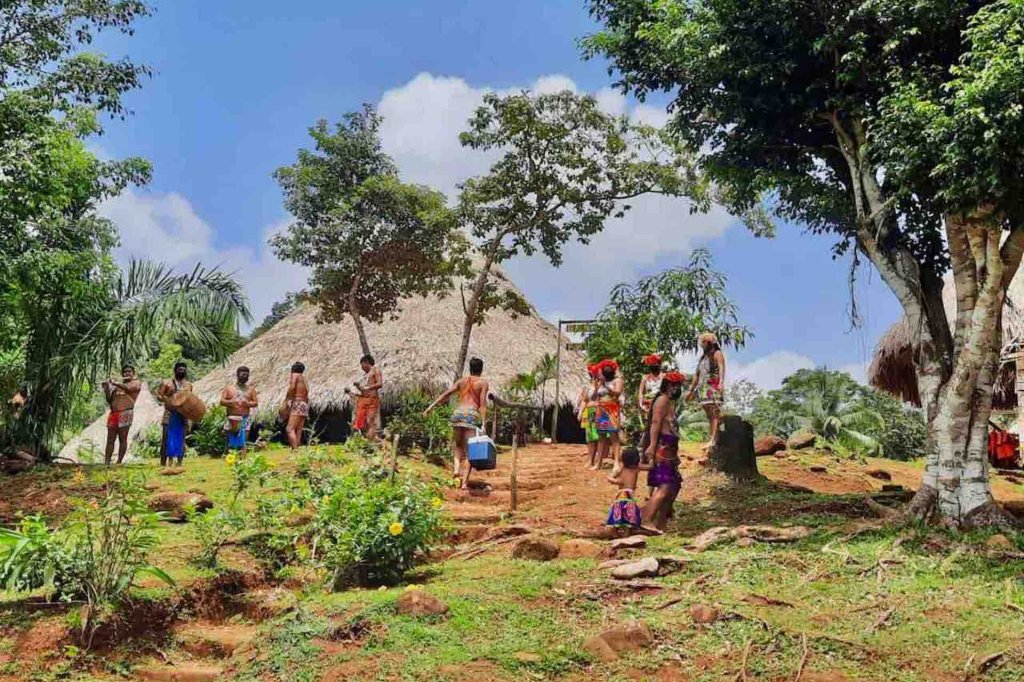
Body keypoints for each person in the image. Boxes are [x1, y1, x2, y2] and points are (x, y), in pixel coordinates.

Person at [423, 357, 489, 490]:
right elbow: (482, 405)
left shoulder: (461, 381)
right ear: (481, 370)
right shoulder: (483, 383)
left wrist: (430, 407)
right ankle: (464, 483)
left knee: (458, 445)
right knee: (471, 451)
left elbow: (445, 394)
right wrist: (483, 423)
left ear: (469, 368)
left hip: (458, 414)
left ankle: (456, 470)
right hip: (471, 415)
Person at [644, 371, 687, 531]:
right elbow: (655, 422)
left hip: (670, 449)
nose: (678, 389)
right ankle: (646, 519)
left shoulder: (668, 402)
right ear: (669, 386)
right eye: (676, 386)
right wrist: (652, 445)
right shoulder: (662, 400)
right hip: (662, 447)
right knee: (665, 486)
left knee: (673, 486)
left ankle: (660, 524)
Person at [687, 333, 726, 451]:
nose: (702, 345)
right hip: (703, 388)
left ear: (709, 343)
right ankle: (712, 438)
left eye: (704, 343)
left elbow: (721, 368)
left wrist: (721, 382)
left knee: (714, 413)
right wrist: (691, 389)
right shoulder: (703, 358)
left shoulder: (717, 354)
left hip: (713, 387)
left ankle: (714, 439)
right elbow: (696, 374)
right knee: (709, 414)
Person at [102, 364, 142, 465]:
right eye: (125, 372)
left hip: (126, 413)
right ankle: (107, 462)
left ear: (133, 373)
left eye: (129, 371)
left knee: (122, 438)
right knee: (110, 438)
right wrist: (106, 389)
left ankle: (119, 461)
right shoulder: (116, 387)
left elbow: (128, 389)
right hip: (114, 413)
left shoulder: (136, 383)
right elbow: (110, 400)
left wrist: (114, 382)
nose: (126, 373)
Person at [155, 362, 193, 467]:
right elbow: (159, 395)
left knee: (180, 438)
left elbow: (190, 398)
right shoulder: (167, 383)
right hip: (170, 413)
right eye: (179, 369)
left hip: (182, 414)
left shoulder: (189, 385)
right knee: (167, 438)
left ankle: (179, 462)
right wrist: (169, 400)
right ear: (175, 370)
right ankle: (164, 463)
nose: (182, 371)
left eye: (183, 369)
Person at [593, 359, 624, 478]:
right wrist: (596, 387)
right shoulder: (601, 382)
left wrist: (606, 385)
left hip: (612, 410)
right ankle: (599, 462)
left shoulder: (617, 380)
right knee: (601, 436)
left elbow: (617, 393)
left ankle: (617, 462)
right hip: (601, 410)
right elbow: (595, 396)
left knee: (613, 437)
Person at [606, 447, 649, 531]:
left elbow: (613, 478)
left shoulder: (626, 468)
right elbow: (649, 467)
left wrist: (613, 478)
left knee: (621, 509)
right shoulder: (635, 468)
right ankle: (626, 527)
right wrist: (651, 459)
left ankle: (620, 527)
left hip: (623, 493)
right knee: (627, 509)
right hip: (626, 493)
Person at [221, 366, 258, 454]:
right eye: (243, 374)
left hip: (245, 419)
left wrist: (247, 404)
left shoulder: (251, 389)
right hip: (231, 418)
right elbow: (222, 401)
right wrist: (231, 402)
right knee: (229, 444)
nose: (245, 376)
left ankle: (242, 462)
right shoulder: (229, 388)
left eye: (247, 375)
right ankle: (230, 462)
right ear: (237, 375)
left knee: (243, 442)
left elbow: (256, 403)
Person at [351, 354, 382, 440]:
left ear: (366, 362)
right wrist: (358, 386)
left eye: (362, 365)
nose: (361, 367)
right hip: (364, 399)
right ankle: (367, 439)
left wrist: (368, 387)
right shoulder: (366, 375)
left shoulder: (375, 370)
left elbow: (380, 384)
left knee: (370, 421)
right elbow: (364, 390)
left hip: (372, 400)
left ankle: (372, 441)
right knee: (361, 422)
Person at [579, 364, 602, 470]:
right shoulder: (587, 386)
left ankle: (597, 460)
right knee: (589, 437)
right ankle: (590, 459)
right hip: (588, 412)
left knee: (599, 437)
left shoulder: (602, 385)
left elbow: (600, 399)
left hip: (598, 411)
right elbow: (584, 400)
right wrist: (581, 411)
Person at [284, 362, 309, 452]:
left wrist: (287, 399)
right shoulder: (304, 379)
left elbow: (292, 387)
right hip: (304, 404)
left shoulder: (295, 375)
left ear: (292, 369)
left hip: (298, 402)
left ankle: (295, 450)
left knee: (289, 429)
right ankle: (296, 449)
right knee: (298, 430)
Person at [637, 354, 663, 419]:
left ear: (660, 365)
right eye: (652, 364)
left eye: (656, 364)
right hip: (648, 406)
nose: (654, 365)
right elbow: (641, 392)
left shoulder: (664, 377)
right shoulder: (645, 377)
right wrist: (641, 404)